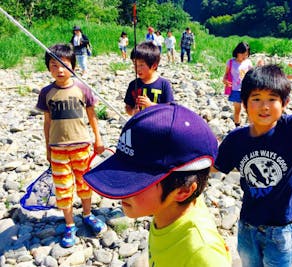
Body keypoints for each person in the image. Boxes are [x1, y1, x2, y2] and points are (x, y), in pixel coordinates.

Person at [213, 62, 292, 267]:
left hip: (281, 229)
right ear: (244, 103)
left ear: (285, 103)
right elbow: (214, 167)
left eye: (272, 99)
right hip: (247, 225)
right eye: (256, 99)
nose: (264, 106)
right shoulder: (236, 139)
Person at [83, 103, 232, 267]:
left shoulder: (203, 253)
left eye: (134, 184)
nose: (121, 193)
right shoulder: (170, 209)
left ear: (184, 190)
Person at [36, 43, 107, 248]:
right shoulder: (46, 92)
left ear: (73, 66)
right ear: (48, 68)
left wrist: (98, 139)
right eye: (53, 65)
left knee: (84, 184)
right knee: (63, 188)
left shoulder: (83, 88)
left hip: (82, 147)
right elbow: (47, 122)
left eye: (63, 64)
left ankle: (87, 214)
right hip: (58, 149)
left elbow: (92, 117)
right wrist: (48, 148)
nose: (59, 69)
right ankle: (69, 224)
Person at [124, 41, 174, 116]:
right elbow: (128, 107)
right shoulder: (133, 84)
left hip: (158, 125)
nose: (137, 68)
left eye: (141, 65)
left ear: (154, 66)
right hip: (139, 125)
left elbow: (170, 109)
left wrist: (151, 105)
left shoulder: (164, 84)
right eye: (135, 64)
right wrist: (133, 111)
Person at [222, 41, 253, 127]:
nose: (244, 56)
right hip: (235, 90)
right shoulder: (230, 62)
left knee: (250, 109)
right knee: (237, 110)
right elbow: (225, 75)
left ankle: (252, 128)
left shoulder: (248, 62)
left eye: (246, 54)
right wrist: (225, 81)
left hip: (247, 89)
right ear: (237, 52)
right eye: (243, 54)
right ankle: (237, 127)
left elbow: (253, 75)